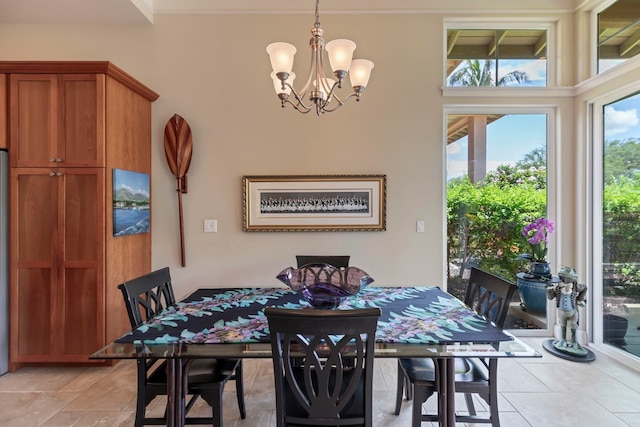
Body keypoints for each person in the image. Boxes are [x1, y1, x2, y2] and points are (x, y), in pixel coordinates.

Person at [546, 267, 588, 356]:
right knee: (562, 324)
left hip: (573, 311)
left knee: (573, 324)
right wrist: (549, 289)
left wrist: (580, 299)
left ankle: (574, 340)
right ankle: (563, 340)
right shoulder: (558, 288)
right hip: (561, 311)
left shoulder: (576, 287)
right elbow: (550, 297)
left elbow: (585, 288)